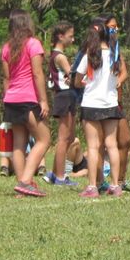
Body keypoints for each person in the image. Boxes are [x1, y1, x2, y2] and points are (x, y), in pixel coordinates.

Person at [73, 19, 127, 198]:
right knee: (112, 145)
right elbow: (118, 76)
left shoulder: (89, 54)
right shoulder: (114, 54)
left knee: (93, 146)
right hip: (110, 104)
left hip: (91, 104)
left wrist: (83, 82)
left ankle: (92, 187)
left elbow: (77, 81)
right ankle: (115, 185)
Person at [1, 9, 51, 197]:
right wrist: (43, 100)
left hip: (11, 99)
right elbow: (37, 73)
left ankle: (22, 187)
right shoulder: (33, 44)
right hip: (28, 98)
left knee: (18, 144)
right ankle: (25, 181)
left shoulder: (6, 48)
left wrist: (7, 98)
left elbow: (6, 78)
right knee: (44, 139)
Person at [103, 14, 130, 193]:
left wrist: (118, 81)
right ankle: (97, 182)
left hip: (116, 103)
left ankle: (121, 180)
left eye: (116, 26)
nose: (115, 30)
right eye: (112, 27)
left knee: (125, 141)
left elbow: (124, 72)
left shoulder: (115, 48)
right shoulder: (93, 49)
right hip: (100, 104)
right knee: (98, 145)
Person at [44, 20, 79, 187]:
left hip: (67, 96)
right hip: (64, 96)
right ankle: (60, 176)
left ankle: (53, 173)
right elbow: (73, 77)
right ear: (60, 36)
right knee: (64, 138)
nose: (73, 39)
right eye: (70, 36)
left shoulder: (56, 55)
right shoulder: (60, 56)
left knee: (69, 137)